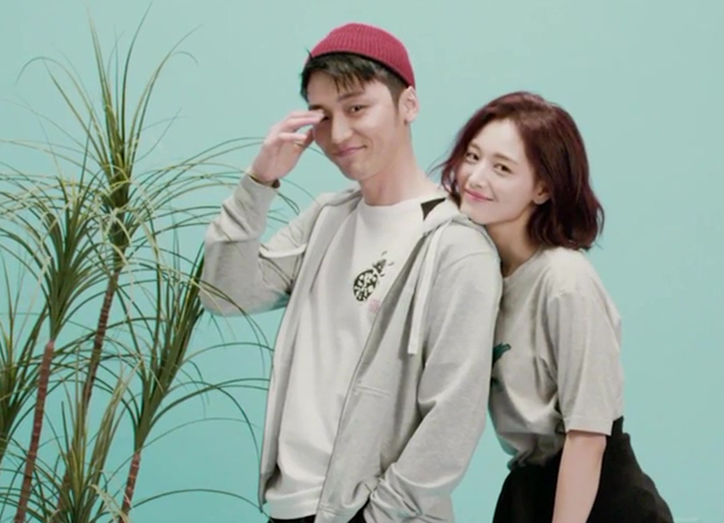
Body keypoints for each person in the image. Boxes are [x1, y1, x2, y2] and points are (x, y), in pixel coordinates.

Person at [199, 23, 503, 523]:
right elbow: (223, 294)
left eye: (357, 108)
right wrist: (259, 180)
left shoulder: (456, 246)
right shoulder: (327, 219)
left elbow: (454, 415)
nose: (338, 134)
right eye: (322, 116)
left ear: (408, 104)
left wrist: (376, 516)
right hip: (291, 506)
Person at [438, 91, 674, 523]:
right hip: (530, 489)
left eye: (502, 167)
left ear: (543, 188)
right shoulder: (485, 273)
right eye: (472, 156)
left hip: (597, 498)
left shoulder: (565, 281)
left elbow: (588, 438)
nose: (475, 177)